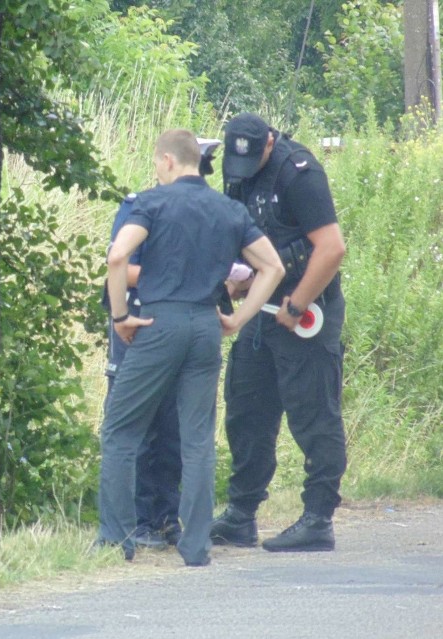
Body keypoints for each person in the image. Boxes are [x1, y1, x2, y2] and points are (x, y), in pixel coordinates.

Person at [98, 128, 284, 565]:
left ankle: (117, 539)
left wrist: (121, 316)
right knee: (198, 438)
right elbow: (272, 267)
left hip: (159, 323)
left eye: (156, 164)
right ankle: (196, 547)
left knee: (121, 430)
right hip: (205, 325)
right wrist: (237, 318)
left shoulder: (151, 203)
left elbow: (116, 257)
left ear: (166, 161)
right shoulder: (228, 209)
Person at [211, 112, 347, 552]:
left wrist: (296, 304)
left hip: (304, 312)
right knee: (246, 411)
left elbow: (330, 248)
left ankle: (317, 519)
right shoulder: (238, 174)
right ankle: (241, 514)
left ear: (269, 143)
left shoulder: (300, 174)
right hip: (259, 310)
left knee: (313, 414)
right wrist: (236, 277)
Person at [103, 138, 228, 549]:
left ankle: (167, 517)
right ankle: (137, 521)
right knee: (138, 427)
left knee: (178, 429)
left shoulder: (211, 208)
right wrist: (179, 277)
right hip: (145, 319)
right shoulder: (143, 205)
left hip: (180, 322)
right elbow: (121, 263)